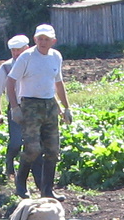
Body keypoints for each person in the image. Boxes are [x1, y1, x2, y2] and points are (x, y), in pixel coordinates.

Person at [5, 23, 73, 200]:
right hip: (30, 105)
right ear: (35, 40)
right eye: (40, 39)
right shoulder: (26, 57)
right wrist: (15, 108)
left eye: (47, 39)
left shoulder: (56, 56)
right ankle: (21, 184)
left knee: (53, 150)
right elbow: (10, 82)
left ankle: (47, 190)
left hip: (49, 105)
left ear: (53, 41)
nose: (43, 42)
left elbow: (58, 83)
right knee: (33, 149)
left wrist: (66, 107)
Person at [0, 34, 30, 189]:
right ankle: (9, 165)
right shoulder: (6, 67)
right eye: (13, 51)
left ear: (26, 49)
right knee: (15, 141)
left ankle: (26, 174)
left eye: (18, 50)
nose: (15, 54)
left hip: (33, 107)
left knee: (32, 143)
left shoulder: (33, 63)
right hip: (15, 108)